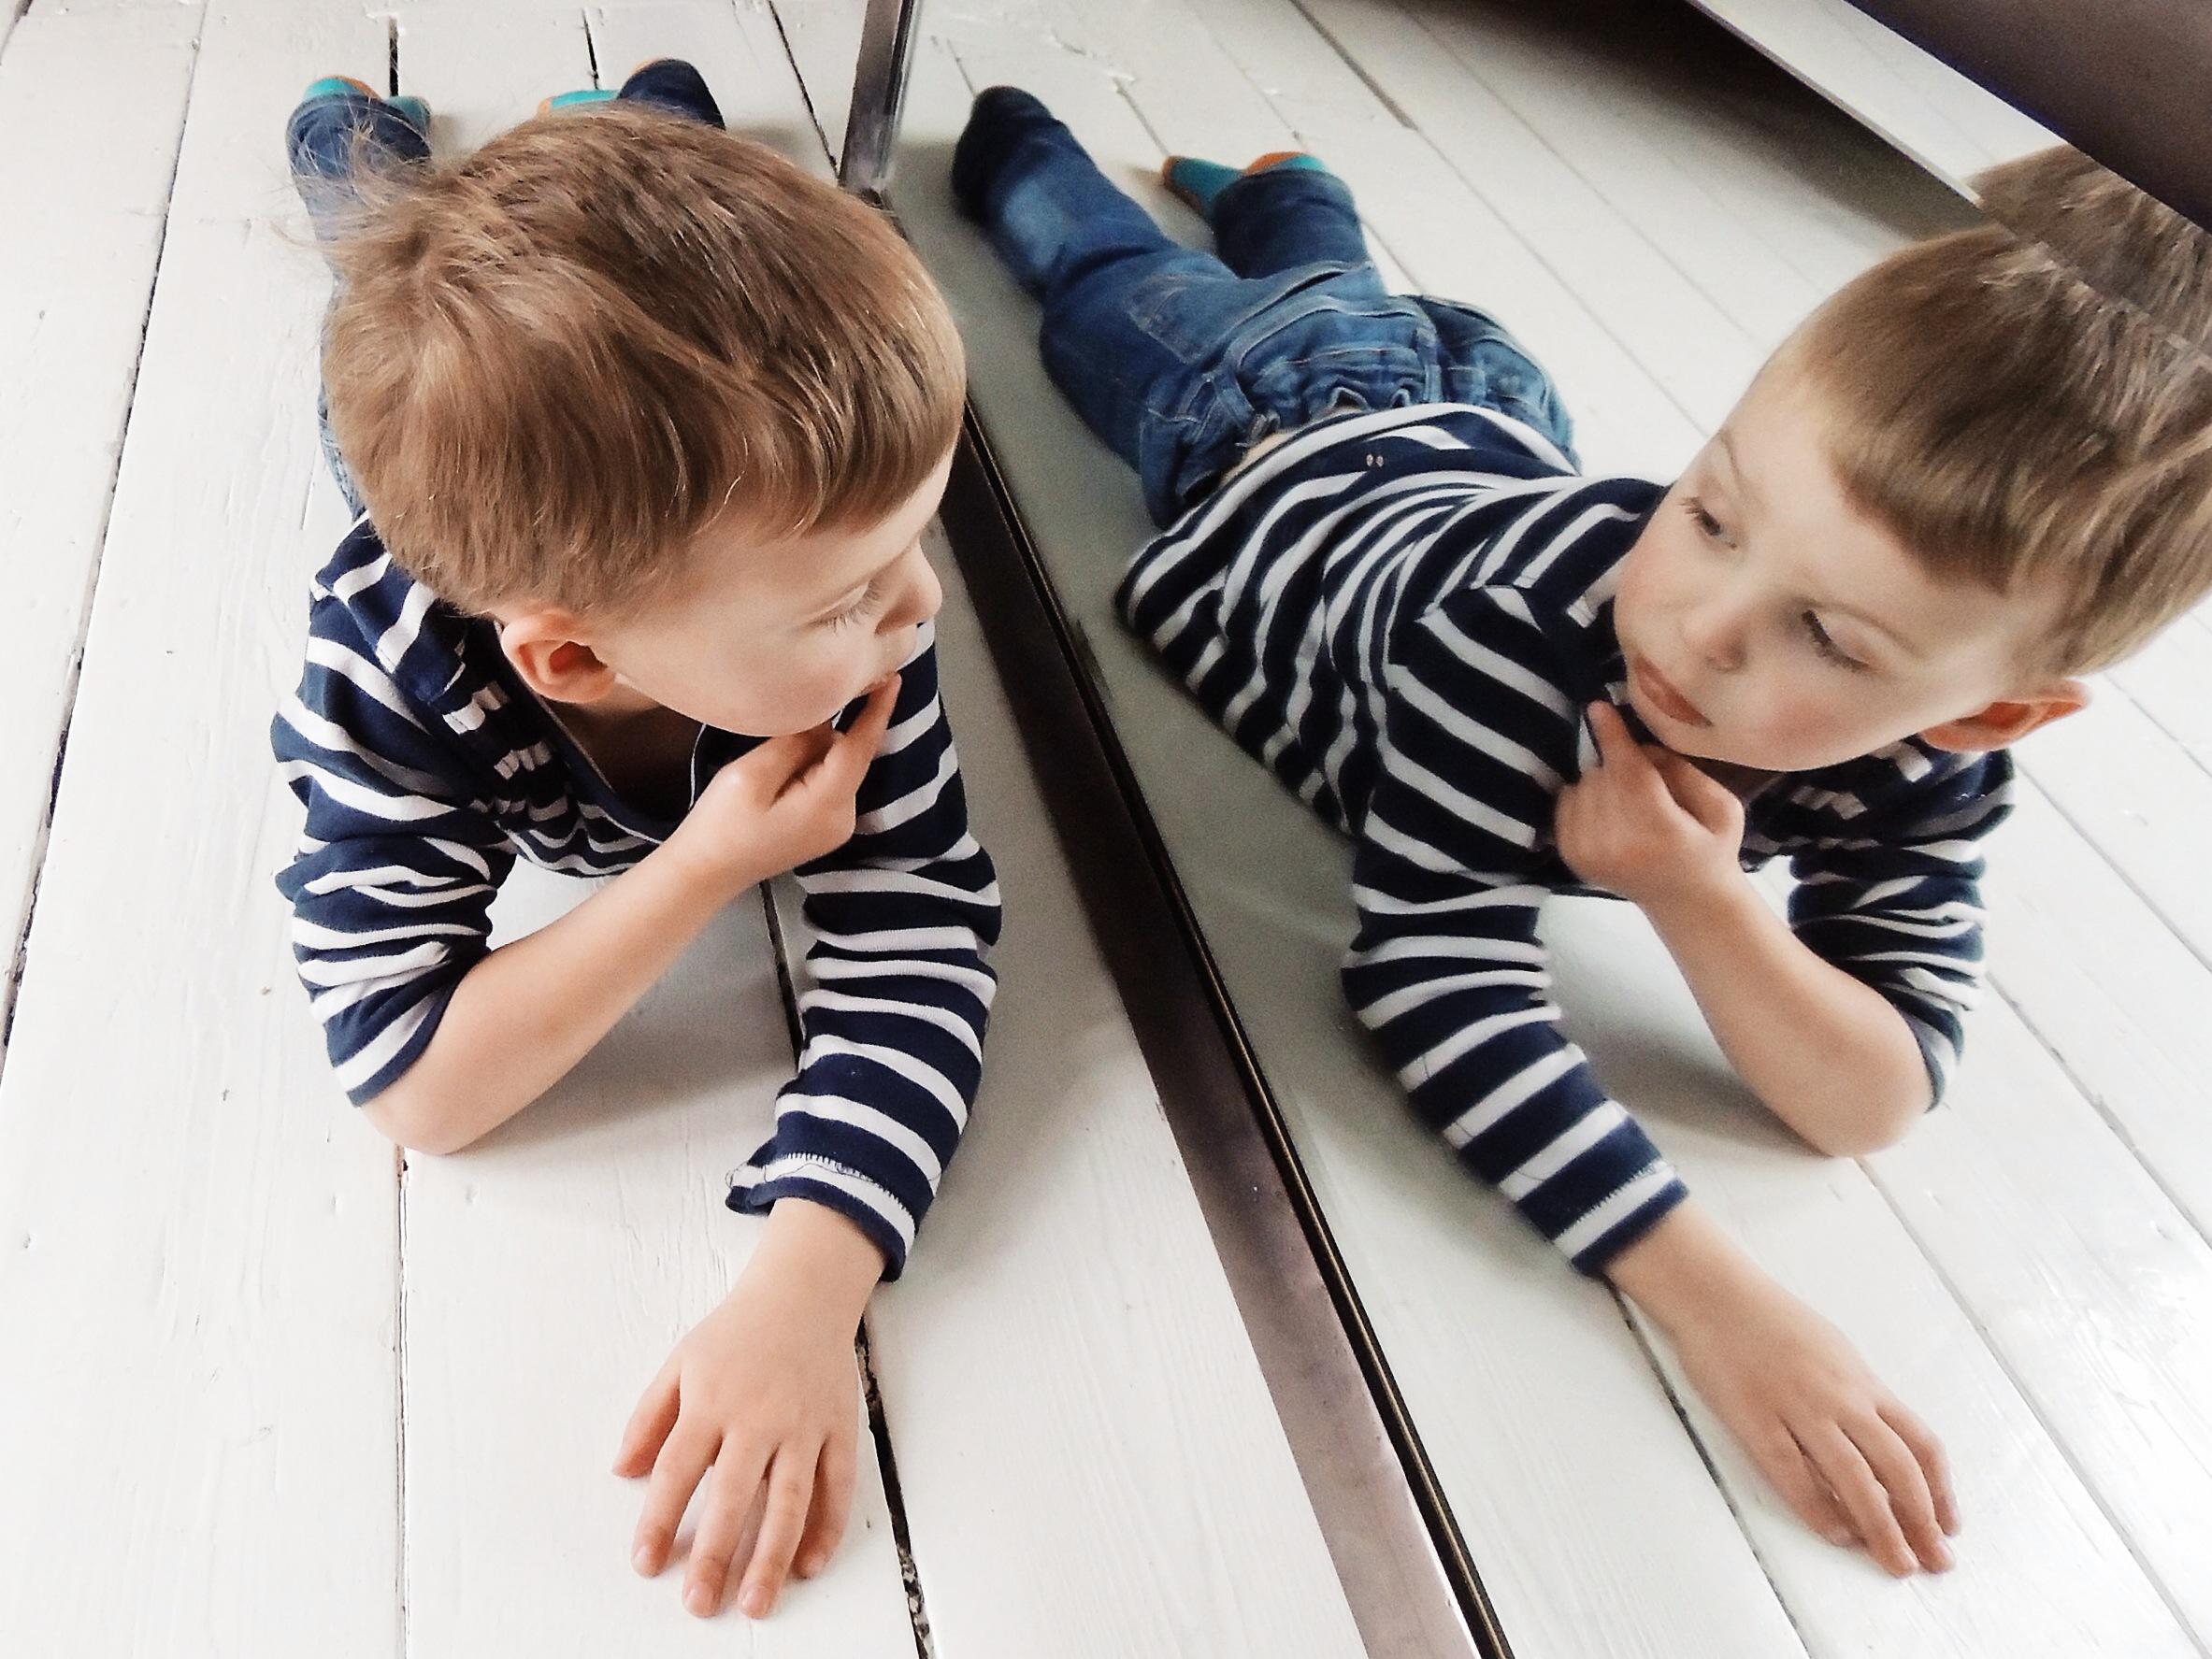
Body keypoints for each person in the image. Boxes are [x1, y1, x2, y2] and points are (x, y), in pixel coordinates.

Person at [950, 85, 2212, 1579]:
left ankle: (1293, 191)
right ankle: (1107, 153)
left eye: (1825, 633)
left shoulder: (1928, 767)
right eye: (1710, 511)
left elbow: (1873, 1094)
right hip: (1262, 423)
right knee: (1080, 263)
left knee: (1352, 294)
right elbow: (1431, 982)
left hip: (1472, 423)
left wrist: (1699, 898)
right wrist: (1712, 1300)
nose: (1689, 632)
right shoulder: (1521, 639)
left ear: (1989, 717)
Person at [273, 62, 1000, 1620]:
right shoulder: (392, 686)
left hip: (619, 531)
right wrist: (705, 864)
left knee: (603, 225)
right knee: (366, 332)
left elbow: (923, 929)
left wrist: (808, 1285)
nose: (921, 609)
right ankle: (357, 140)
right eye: (849, 592)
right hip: (451, 502)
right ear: (577, 663)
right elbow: (417, 1081)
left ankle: (631, 114)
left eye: (914, 542)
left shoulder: (846, 630)